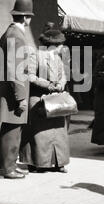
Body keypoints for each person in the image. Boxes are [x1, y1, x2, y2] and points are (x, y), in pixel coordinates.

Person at [0, 0, 34, 180]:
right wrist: (20, 97)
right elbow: (15, 70)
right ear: (26, 17)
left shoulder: (9, 33)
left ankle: (7, 167)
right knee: (12, 131)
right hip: (14, 92)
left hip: (8, 89)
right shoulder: (17, 36)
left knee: (11, 130)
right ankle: (7, 169)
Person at [20, 29, 70, 172]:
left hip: (55, 98)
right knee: (39, 133)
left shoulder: (58, 58)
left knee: (59, 130)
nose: (62, 47)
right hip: (38, 99)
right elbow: (30, 76)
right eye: (61, 44)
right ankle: (36, 163)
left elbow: (63, 75)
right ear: (54, 44)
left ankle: (58, 163)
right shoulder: (35, 55)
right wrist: (48, 85)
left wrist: (60, 84)